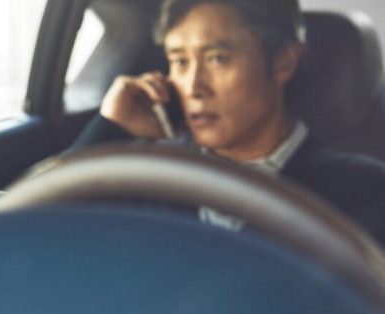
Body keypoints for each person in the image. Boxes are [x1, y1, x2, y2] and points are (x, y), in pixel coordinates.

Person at [71, 0, 385, 242]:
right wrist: (109, 126)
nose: (193, 87)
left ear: (283, 62)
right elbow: (51, 235)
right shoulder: (155, 182)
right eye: (180, 61)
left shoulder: (365, 193)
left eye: (217, 59)